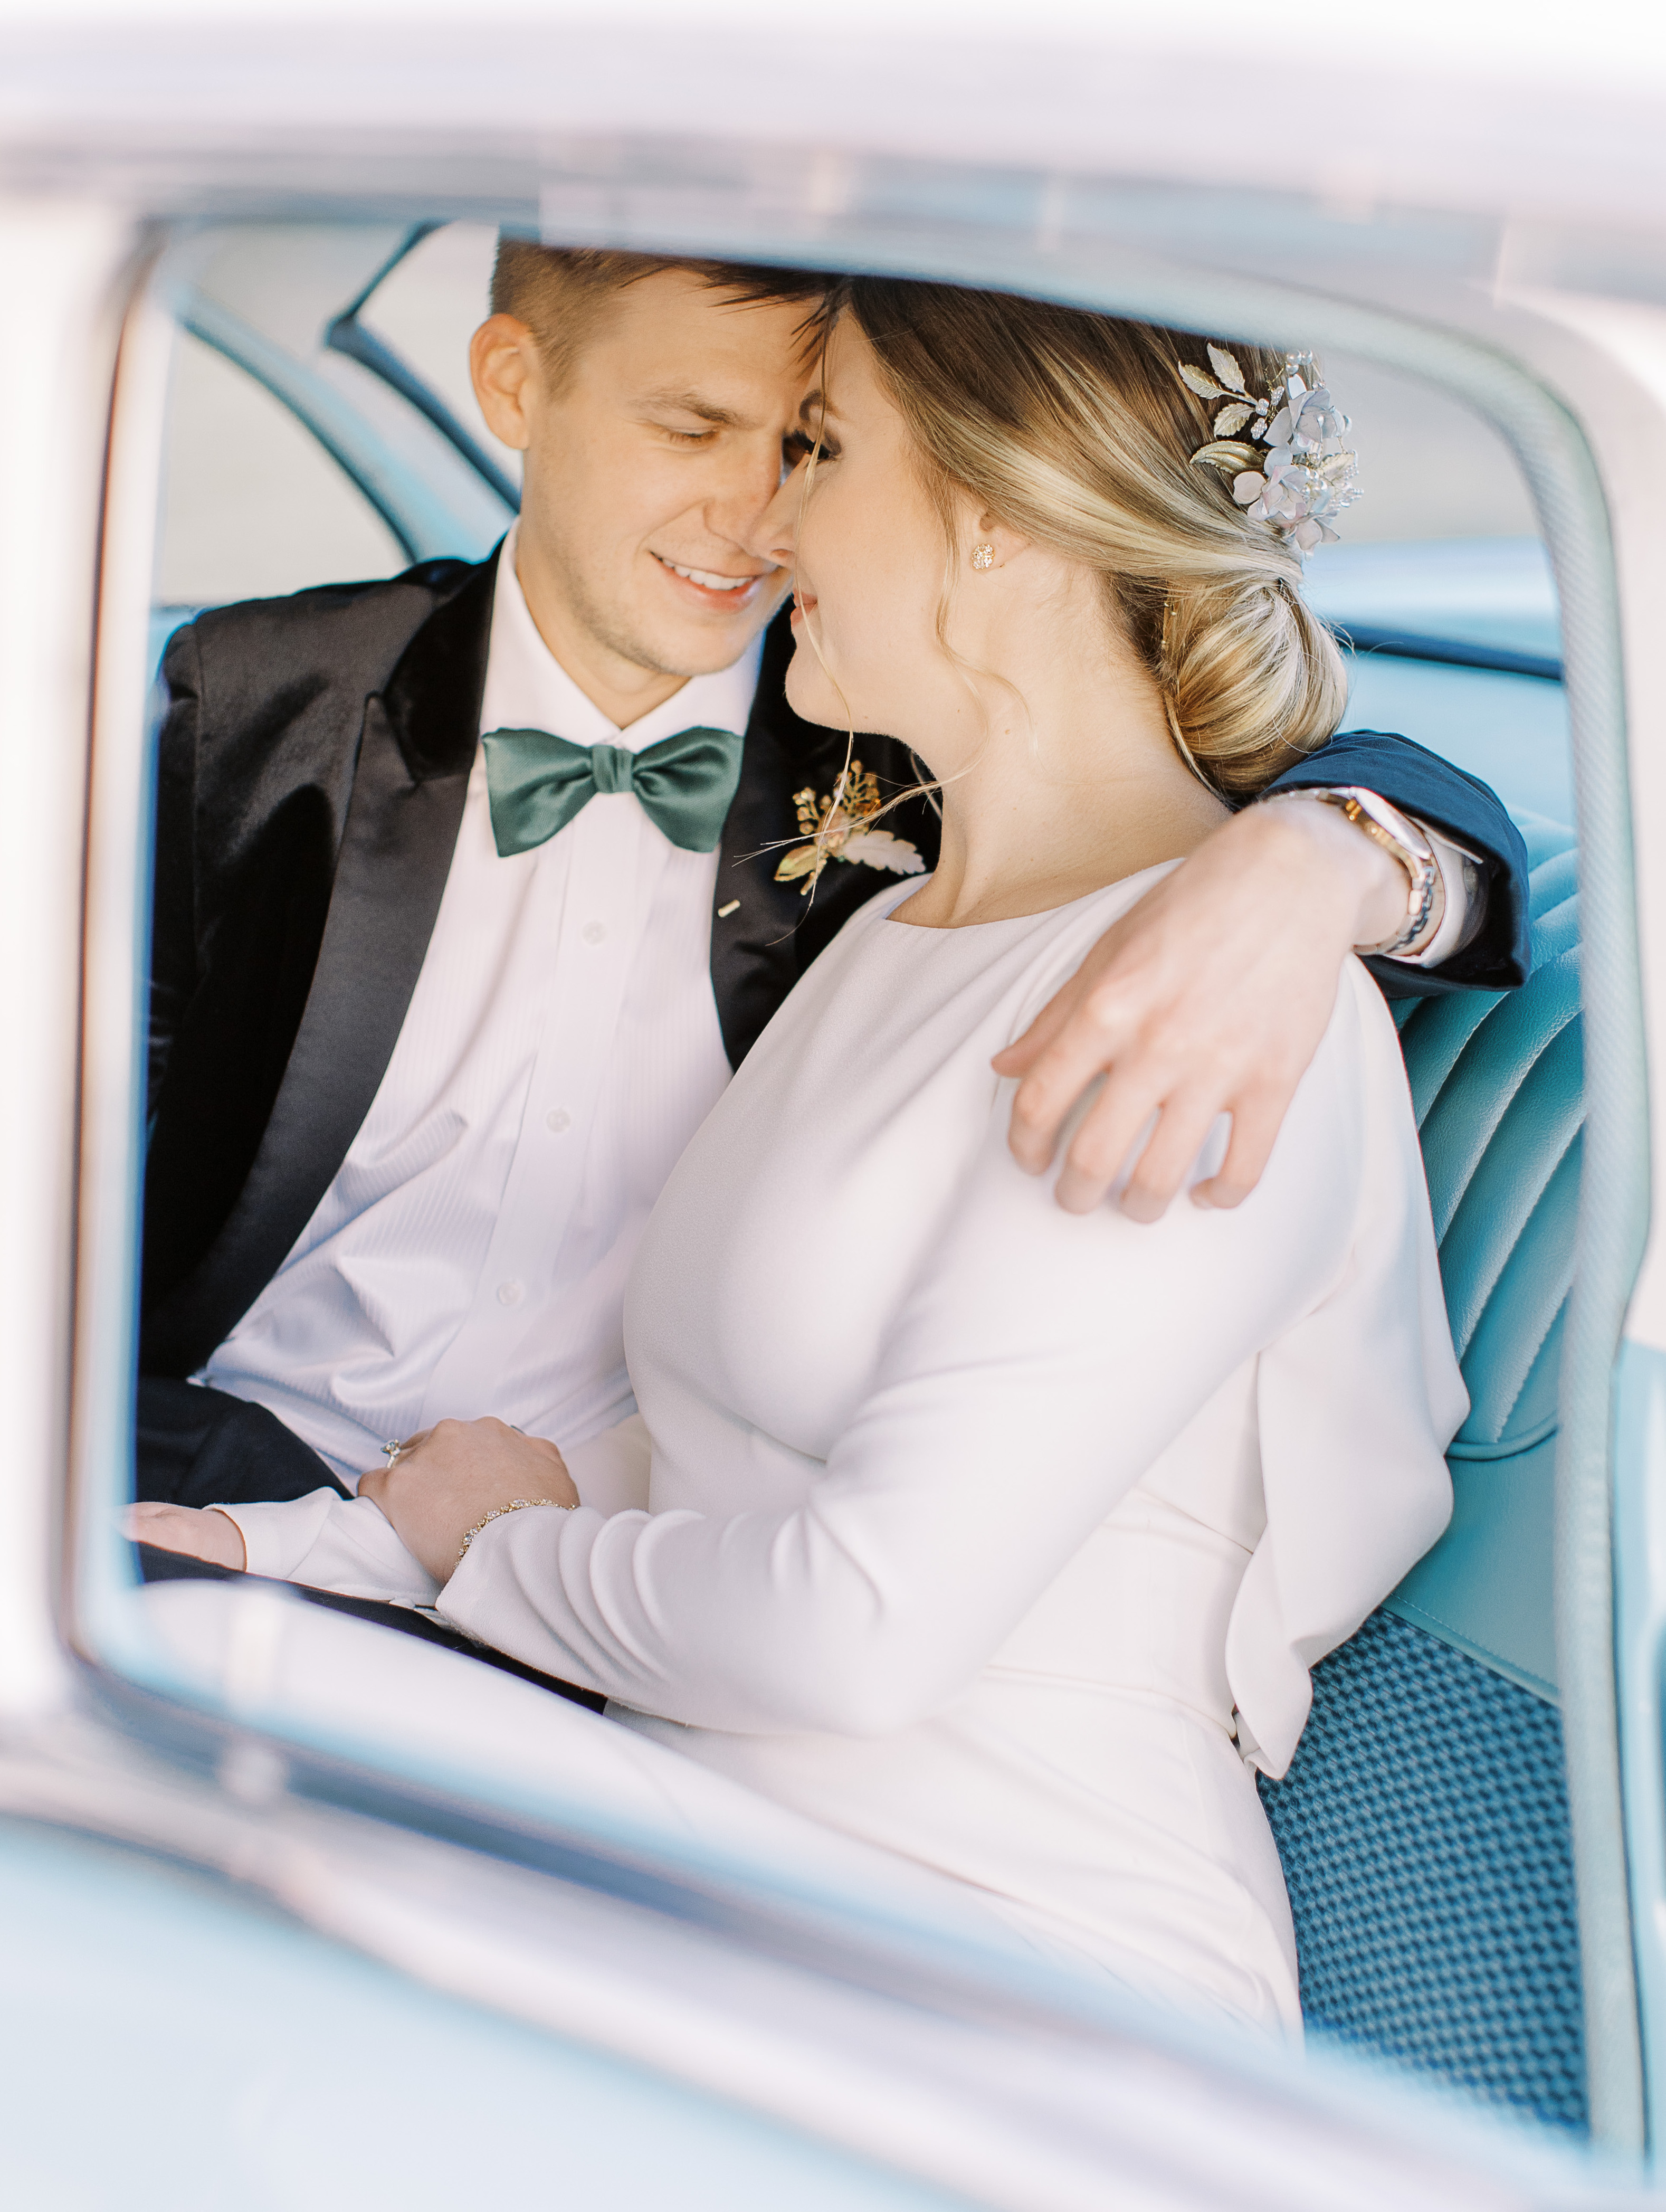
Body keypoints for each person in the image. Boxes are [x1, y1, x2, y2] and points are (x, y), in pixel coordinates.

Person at [137, 281, 1467, 2034]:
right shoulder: (898, 924)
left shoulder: (1196, 1009)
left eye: (821, 449)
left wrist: (485, 1561)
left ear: (989, 527)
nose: (770, 520)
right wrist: (298, 1555)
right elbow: (690, 1457)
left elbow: (862, 1625)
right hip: (688, 1807)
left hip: (987, 1954)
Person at [132, 242, 1515, 1533]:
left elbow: (1309, 772)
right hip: (212, 1458)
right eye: (692, 429)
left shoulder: (909, 739)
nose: (764, 517)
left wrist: (1319, 856)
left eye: (809, 445)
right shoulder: (263, 697)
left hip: (626, 1536)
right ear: (515, 384)